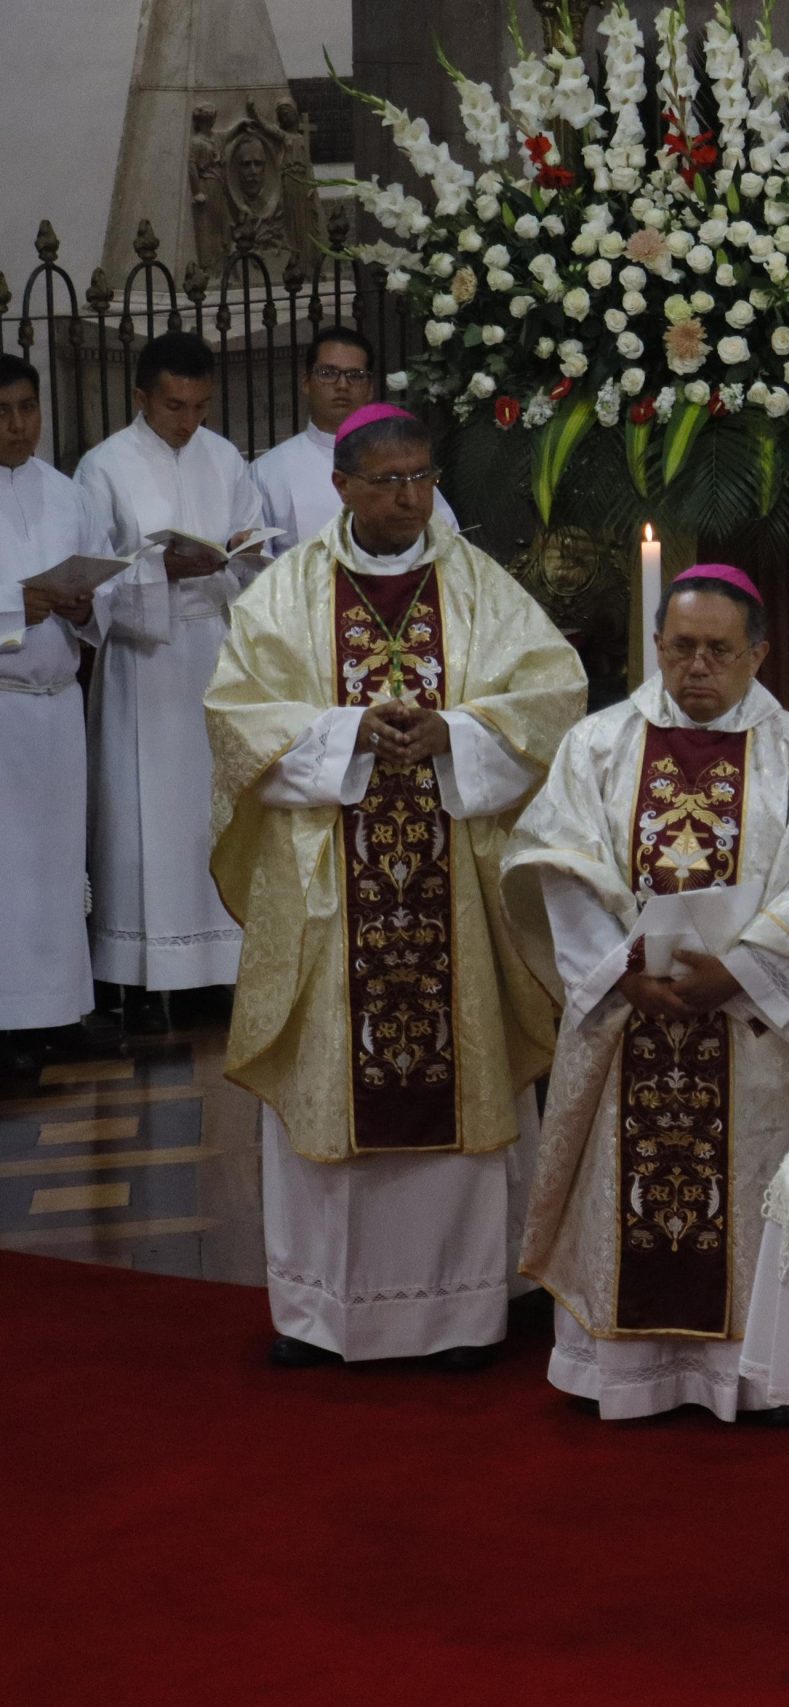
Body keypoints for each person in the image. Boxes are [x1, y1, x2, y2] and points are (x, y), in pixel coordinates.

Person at [205, 403, 586, 1369]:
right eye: (390, 482)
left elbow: (553, 691)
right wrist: (350, 735)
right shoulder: (285, 593)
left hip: (452, 881)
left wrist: (455, 733)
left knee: (464, 1066)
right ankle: (326, 1310)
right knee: (336, 1072)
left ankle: (465, 1307)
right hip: (335, 888)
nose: (412, 498)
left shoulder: (477, 587)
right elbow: (237, 718)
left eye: (423, 477)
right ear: (341, 486)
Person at [504, 566, 789, 1422]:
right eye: (682, 647)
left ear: (759, 654)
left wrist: (741, 970)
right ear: (656, 645)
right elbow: (556, 861)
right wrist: (631, 973)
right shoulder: (600, 743)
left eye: (719, 651)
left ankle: (753, 1372)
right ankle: (625, 1370)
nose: (698, 667)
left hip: (751, 1028)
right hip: (632, 1019)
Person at [76, 330, 267, 1034]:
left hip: (212, 652)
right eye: (174, 405)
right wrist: (159, 572)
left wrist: (238, 557)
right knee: (143, 816)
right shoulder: (104, 467)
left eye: (200, 406)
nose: (188, 421)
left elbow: (254, 553)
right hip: (144, 664)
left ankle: (219, 968)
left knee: (211, 815)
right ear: (141, 397)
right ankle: (140, 974)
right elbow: (91, 574)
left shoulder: (224, 457)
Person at [0, 355, 112, 1076]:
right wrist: (17, 608)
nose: (17, 426)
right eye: (3, 411)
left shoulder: (69, 494)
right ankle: (9, 1025)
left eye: (28, 408)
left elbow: (105, 583)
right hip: (4, 708)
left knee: (57, 867)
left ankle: (64, 1009)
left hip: (58, 707)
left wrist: (82, 605)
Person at [252, 326, 456, 551]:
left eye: (355, 376)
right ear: (306, 382)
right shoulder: (269, 471)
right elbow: (260, 564)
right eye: (328, 373)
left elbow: (445, 535)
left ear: (370, 388)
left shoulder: (401, 459)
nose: (342, 385)